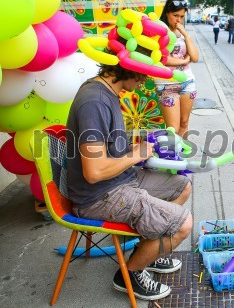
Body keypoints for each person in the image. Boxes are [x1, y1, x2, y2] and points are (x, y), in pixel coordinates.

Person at [66, 62, 193, 301]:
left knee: (182, 185)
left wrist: (133, 147)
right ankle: (130, 274)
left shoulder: (108, 92)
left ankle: (148, 250)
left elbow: (107, 146)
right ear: (128, 67)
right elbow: (94, 172)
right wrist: (137, 154)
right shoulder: (95, 101)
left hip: (118, 180)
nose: (145, 81)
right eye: (144, 74)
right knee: (184, 224)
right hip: (98, 195)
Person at [156, 0, 199, 138]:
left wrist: (185, 34)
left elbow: (195, 57)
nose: (178, 20)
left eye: (181, 16)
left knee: (184, 123)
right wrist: (182, 61)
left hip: (187, 82)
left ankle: (181, 157)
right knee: (173, 129)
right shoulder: (159, 31)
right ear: (167, 13)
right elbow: (161, 59)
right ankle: (172, 159)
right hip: (167, 84)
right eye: (175, 16)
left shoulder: (182, 33)